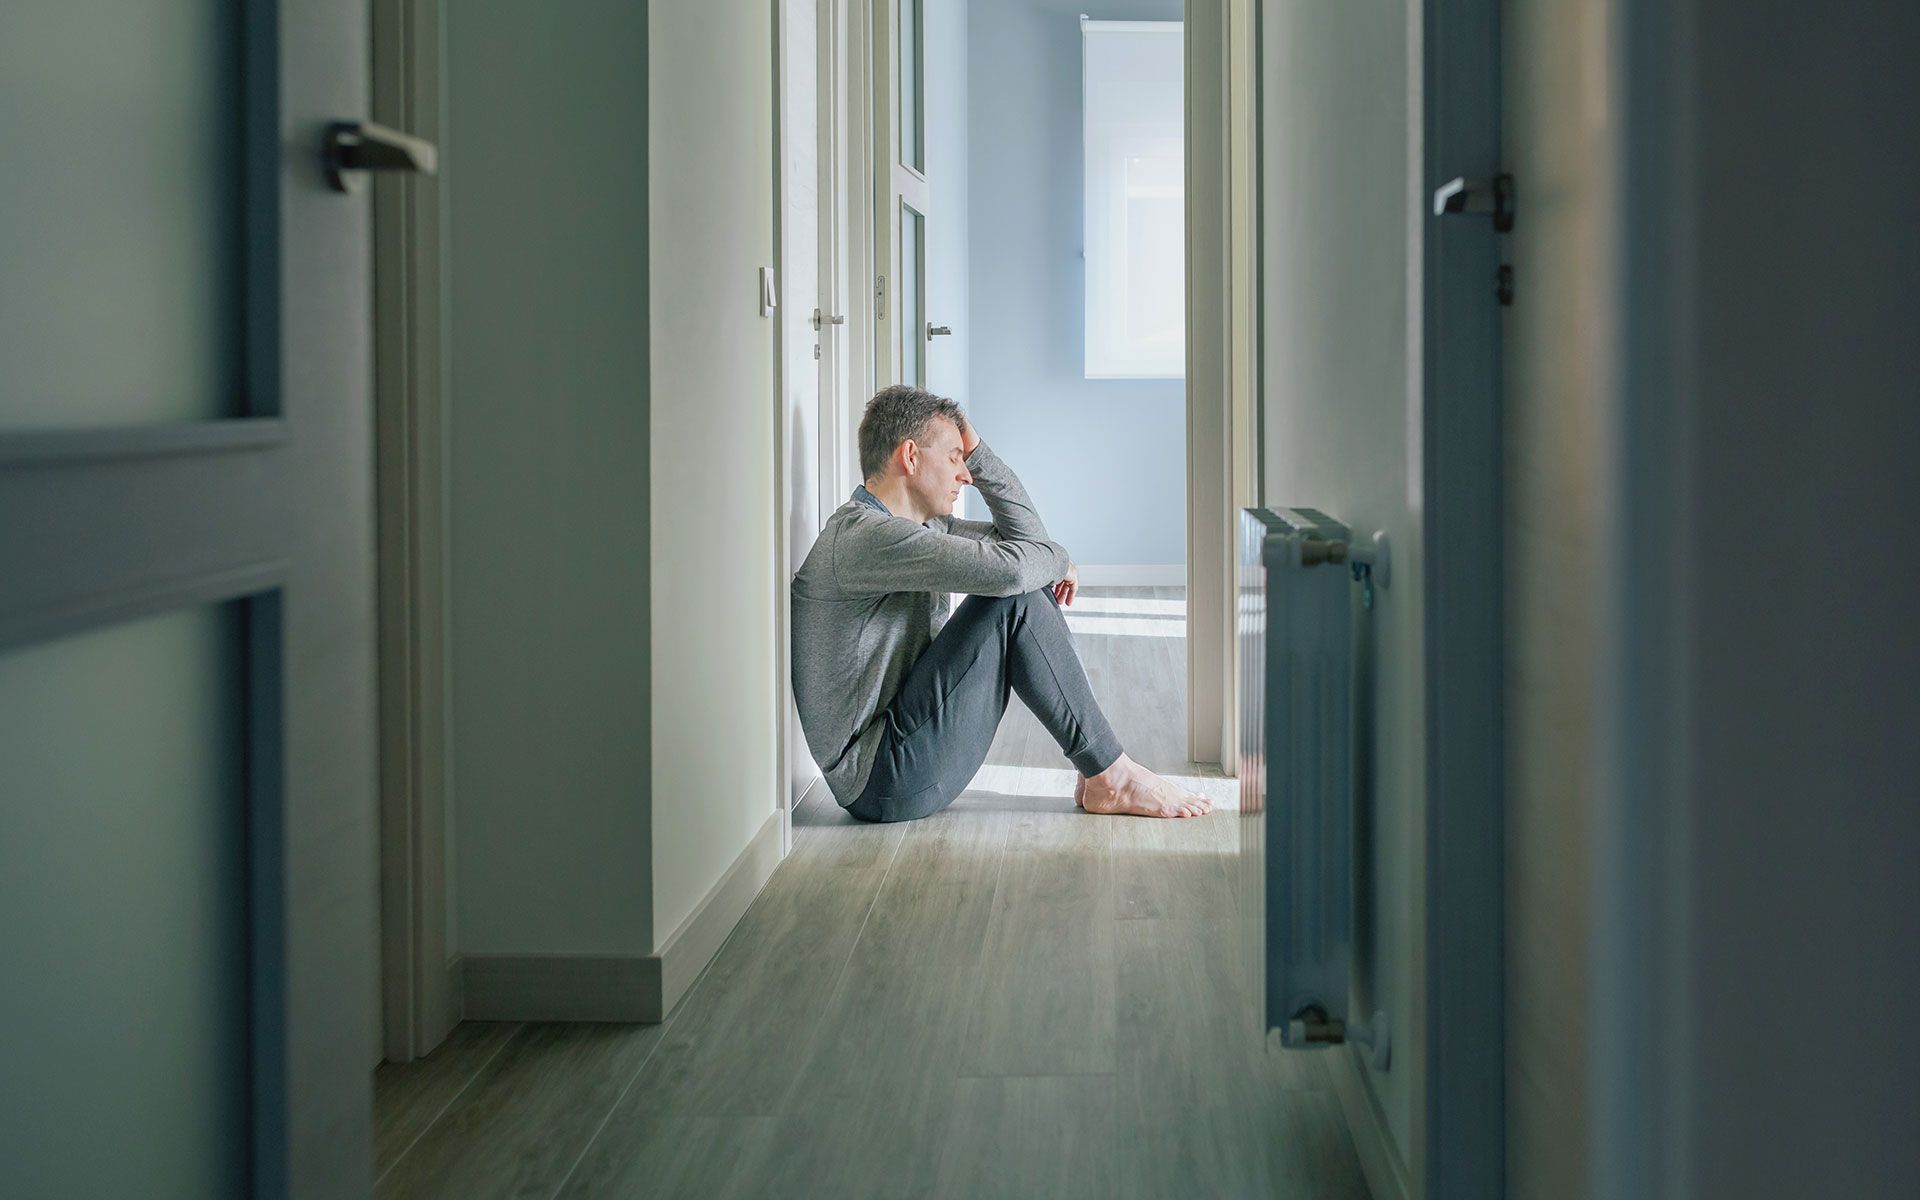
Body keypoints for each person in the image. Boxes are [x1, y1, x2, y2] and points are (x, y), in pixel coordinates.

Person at [790, 384, 1215, 824]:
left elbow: (1027, 546)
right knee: (1012, 599)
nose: (966, 474)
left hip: (903, 753)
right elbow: (1016, 571)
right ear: (910, 456)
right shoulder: (867, 537)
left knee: (1021, 586)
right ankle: (1111, 774)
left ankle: (1102, 770)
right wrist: (1059, 560)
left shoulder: (925, 529)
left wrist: (977, 449)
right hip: (882, 780)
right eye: (955, 457)